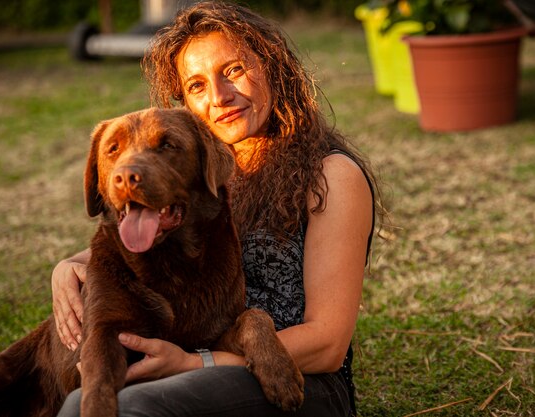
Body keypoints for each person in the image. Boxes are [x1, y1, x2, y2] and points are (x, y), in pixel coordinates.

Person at [52, 2, 382, 416]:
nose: (220, 97)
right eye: (197, 86)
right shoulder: (206, 176)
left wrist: (197, 363)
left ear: (273, 65)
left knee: (135, 407)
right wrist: (68, 266)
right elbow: (150, 242)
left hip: (302, 383)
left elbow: (328, 344)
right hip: (203, 361)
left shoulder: (331, 175)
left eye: (234, 71)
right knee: (84, 401)